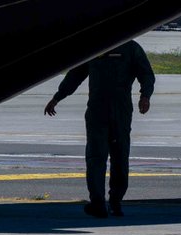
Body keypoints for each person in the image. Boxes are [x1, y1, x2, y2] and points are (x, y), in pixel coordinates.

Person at [44, 40, 155, 218]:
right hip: (107, 110)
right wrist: (58, 97)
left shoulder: (120, 47)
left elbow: (146, 75)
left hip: (109, 109)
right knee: (105, 156)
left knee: (107, 156)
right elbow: (76, 74)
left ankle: (108, 202)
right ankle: (106, 203)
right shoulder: (126, 47)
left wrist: (145, 96)